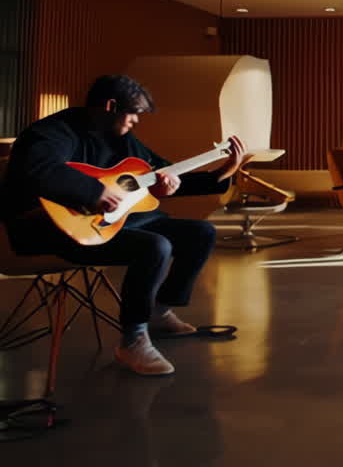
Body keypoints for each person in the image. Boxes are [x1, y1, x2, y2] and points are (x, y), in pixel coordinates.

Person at [0, 75, 250, 375]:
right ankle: (133, 340)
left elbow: (163, 174)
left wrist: (222, 173)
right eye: (132, 114)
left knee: (200, 233)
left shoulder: (122, 139)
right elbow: (36, 169)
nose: (135, 121)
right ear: (110, 106)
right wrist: (94, 193)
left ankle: (158, 311)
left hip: (112, 225)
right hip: (48, 231)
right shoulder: (54, 132)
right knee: (155, 246)